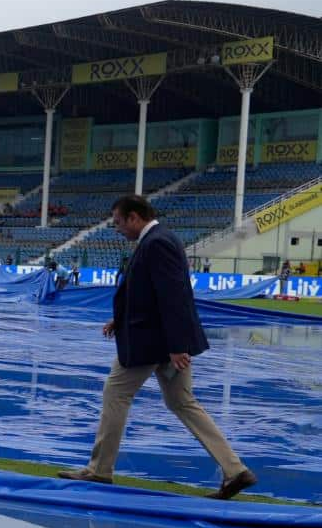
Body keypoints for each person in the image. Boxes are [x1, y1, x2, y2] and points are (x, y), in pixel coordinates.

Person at [59, 195, 255, 500]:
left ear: (135, 217)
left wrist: (177, 345)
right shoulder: (158, 241)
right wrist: (119, 319)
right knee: (182, 402)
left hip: (153, 343)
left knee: (116, 393)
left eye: (119, 222)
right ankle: (235, 470)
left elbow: (172, 296)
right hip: (164, 341)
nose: (117, 229)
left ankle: (99, 469)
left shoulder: (157, 243)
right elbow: (147, 294)